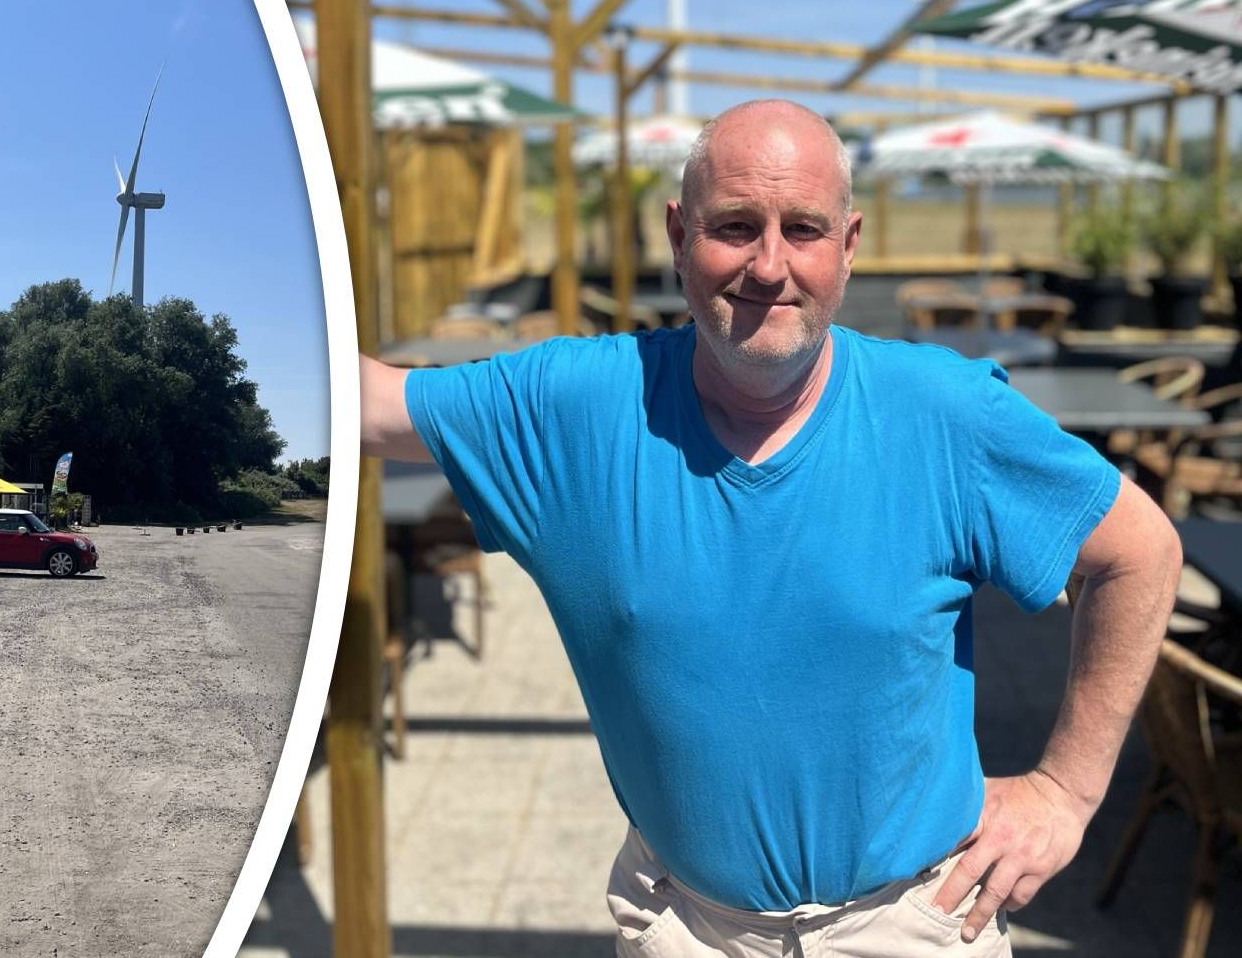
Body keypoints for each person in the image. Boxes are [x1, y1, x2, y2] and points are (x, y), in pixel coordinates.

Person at [359, 100, 1181, 956]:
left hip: (912, 924)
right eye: (736, 225)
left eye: (805, 229)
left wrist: (1065, 793)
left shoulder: (942, 414)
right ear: (679, 235)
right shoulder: (579, 410)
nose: (769, 264)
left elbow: (1141, 551)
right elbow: (366, 402)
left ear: (850, 246)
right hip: (686, 927)